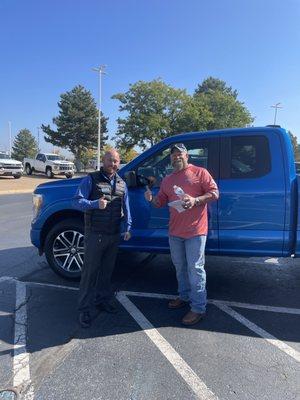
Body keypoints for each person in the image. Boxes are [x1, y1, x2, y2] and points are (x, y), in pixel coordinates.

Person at [144, 143, 219, 325]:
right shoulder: (168, 179)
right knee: (180, 267)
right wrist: (152, 199)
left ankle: (198, 308)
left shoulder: (200, 172)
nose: (176, 157)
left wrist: (196, 200)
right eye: (173, 154)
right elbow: (160, 202)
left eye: (180, 154)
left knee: (195, 269)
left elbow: (215, 193)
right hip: (175, 232)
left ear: (187, 156)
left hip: (195, 231)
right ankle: (184, 296)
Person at [73, 149, 131, 328]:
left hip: (113, 235)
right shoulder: (90, 179)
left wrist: (128, 227)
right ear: (103, 160)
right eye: (109, 160)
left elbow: (126, 207)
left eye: (115, 161)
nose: (112, 164)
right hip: (95, 235)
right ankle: (84, 309)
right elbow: (76, 201)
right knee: (89, 274)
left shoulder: (121, 183)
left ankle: (102, 300)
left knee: (106, 272)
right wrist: (94, 204)